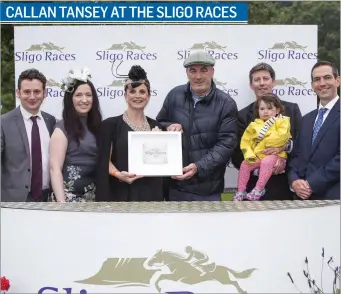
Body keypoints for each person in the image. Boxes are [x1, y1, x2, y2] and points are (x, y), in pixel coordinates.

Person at [156, 51, 238, 201]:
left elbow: (227, 144)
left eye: (203, 70)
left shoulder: (226, 103)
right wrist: (168, 126)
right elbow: (158, 125)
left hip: (208, 190)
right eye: (193, 70)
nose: (198, 76)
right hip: (174, 187)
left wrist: (199, 167)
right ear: (187, 73)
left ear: (212, 72)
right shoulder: (174, 95)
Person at [231, 62, 302, 200]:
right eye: (257, 80)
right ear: (251, 85)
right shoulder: (242, 115)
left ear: (273, 82)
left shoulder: (292, 110)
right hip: (252, 186)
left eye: (266, 78)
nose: (262, 83)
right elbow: (236, 152)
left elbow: (301, 145)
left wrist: (284, 152)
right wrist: (258, 169)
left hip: (284, 184)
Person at [95, 65, 166, 202]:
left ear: (149, 96)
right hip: (121, 193)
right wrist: (118, 174)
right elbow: (104, 161)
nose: (137, 96)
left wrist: (158, 139)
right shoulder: (110, 126)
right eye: (132, 91)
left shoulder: (156, 127)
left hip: (151, 194)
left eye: (142, 92)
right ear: (125, 95)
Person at [1, 68, 56, 202]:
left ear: (45, 93)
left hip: (47, 198)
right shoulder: (3, 122)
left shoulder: (51, 121)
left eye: (37, 92)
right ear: (18, 93)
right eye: (26, 92)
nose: (32, 97)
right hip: (14, 201)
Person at [49, 67, 102, 202]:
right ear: (70, 99)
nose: (84, 100)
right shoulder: (62, 129)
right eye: (78, 95)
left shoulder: (98, 127)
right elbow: (55, 169)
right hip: (67, 199)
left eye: (88, 95)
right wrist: (62, 204)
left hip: (93, 198)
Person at [288, 61, 340, 200]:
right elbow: (296, 156)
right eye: (317, 79)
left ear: (338, 80)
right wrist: (294, 181)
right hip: (302, 199)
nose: (322, 83)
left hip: (333, 198)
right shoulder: (306, 119)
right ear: (312, 86)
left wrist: (311, 183)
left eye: (327, 77)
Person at [233, 93, 291, 201]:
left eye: (269, 108)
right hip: (259, 156)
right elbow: (245, 141)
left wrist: (265, 138)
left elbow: (281, 137)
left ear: (277, 110)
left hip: (277, 157)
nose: (265, 111)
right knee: (245, 164)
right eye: (262, 108)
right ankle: (241, 191)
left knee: (267, 162)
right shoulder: (253, 125)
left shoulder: (283, 121)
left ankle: (259, 189)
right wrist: (249, 155)